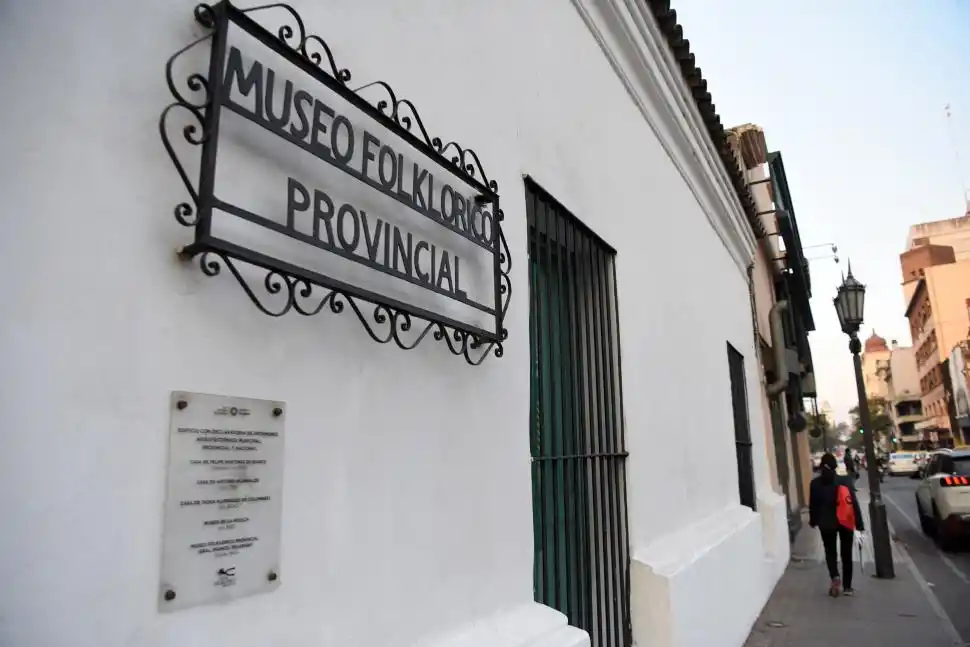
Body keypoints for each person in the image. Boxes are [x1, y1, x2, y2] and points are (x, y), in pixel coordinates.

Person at [809, 453, 864, 597]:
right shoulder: (844, 481)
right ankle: (847, 587)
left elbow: (813, 506)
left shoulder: (815, 484)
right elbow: (853, 503)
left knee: (830, 552)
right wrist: (859, 523)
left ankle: (835, 576)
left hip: (826, 524)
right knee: (846, 554)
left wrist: (813, 521)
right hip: (845, 521)